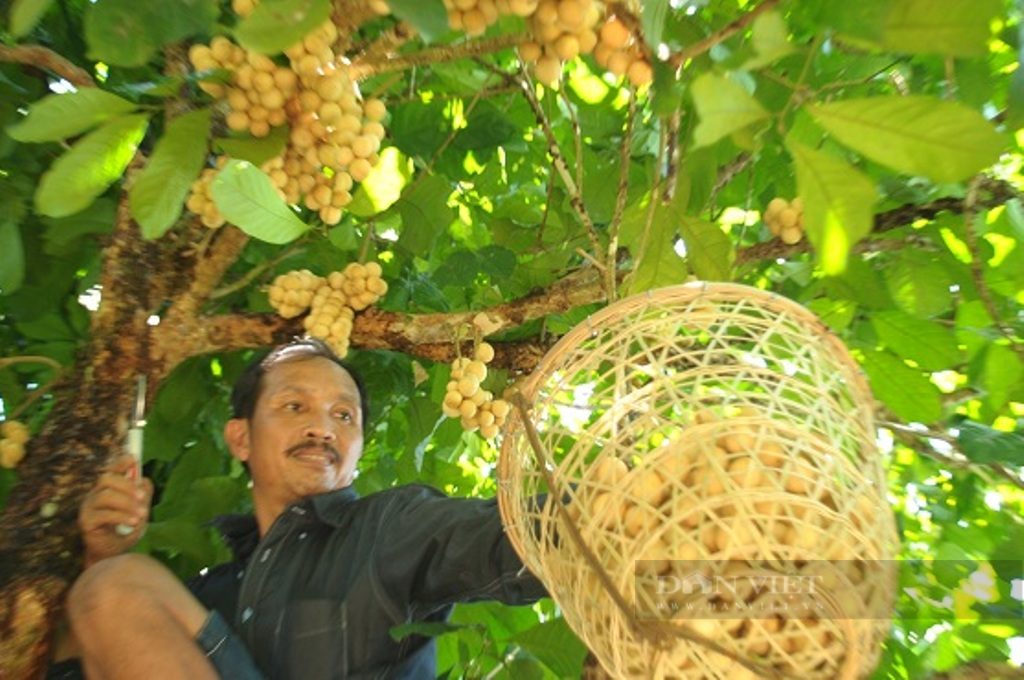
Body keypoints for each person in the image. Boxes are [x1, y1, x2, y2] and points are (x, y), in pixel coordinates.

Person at [50, 337, 547, 679]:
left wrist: (606, 506)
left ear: (356, 449)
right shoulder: (203, 596)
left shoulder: (390, 527)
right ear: (240, 437)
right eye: (294, 407)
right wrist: (100, 554)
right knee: (109, 587)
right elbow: (73, 656)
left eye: (343, 416)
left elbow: (512, 535)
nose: (322, 428)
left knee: (118, 584)